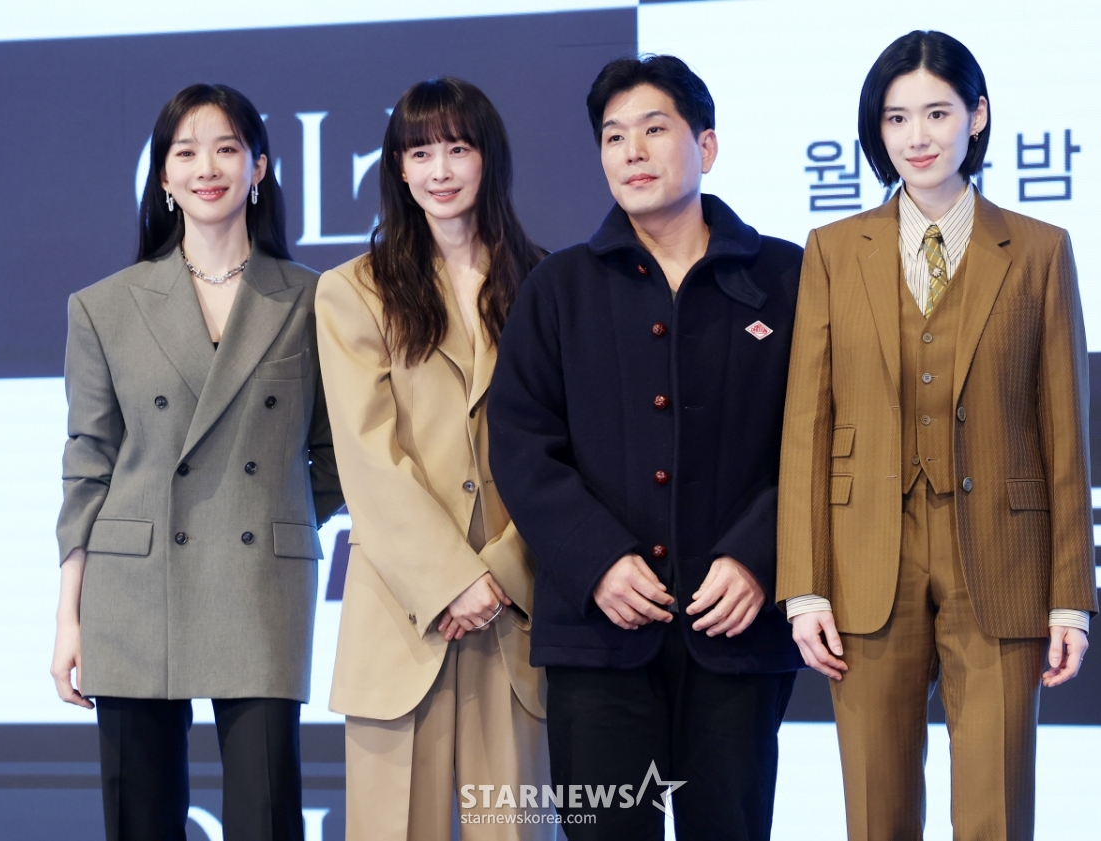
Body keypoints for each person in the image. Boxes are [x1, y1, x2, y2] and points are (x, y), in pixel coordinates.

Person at [777, 30, 1097, 841]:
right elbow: (808, 427)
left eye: (937, 113)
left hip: (1002, 560)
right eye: (896, 118)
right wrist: (804, 587)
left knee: (995, 809)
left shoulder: (1039, 251)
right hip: (865, 559)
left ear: (976, 115)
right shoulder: (832, 251)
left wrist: (1071, 596)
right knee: (875, 810)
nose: (916, 136)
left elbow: (1065, 434)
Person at [488, 55, 804, 840]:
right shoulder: (558, 287)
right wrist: (597, 559)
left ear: (707, 145)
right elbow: (522, 443)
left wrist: (757, 557)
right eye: (613, 136)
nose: (632, 151)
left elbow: (821, 441)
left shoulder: (788, 277)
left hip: (737, 629)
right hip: (597, 635)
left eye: (654, 130)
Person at [51, 84, 343, 841]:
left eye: (226, 148)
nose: (206, 167)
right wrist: (68, 616)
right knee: (139, 818)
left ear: (260, 168)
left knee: (265, 814)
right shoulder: (104, 306)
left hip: (260, 580)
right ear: (163, 177)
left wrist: (276, 510)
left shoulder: (316, 299)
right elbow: (89, 465)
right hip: (134, 584)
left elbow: (334, 453)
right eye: (185, 152)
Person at [315, 77, 552, 840]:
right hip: (402, 612)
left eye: (457, 148)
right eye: (420, 153)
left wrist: (502, 571)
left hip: (516, 611)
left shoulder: (546, 282)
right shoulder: (352, 290)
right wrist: (454, 580)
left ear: (489, 158)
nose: (440, 170)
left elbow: (568, 449)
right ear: (398, 168)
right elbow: (367, 457)